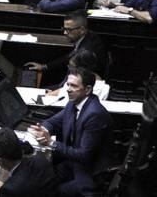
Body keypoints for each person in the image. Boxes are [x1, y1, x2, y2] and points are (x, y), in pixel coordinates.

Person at [29, 68, 112, 196]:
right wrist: (42, 130)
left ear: (88, 89)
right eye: (67, 84)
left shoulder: (95, 114)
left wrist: (51, 143)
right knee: (40, 180)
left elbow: (84, 155)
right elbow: (52, 122)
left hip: (89, 173)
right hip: (72, 163)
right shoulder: (73, 104)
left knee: (53, 192)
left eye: (73, 86)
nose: (68, 89)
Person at [25, 11, 108, 86]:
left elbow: (78, 83)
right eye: (64, 29)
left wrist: (53, 92)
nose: (65, 33)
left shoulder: (87, 50)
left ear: (82, 29)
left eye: (69, 30)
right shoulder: (87, 36)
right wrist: (45, 66)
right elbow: (69, 55)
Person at [0, 128, 58, 197]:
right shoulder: (40, 159)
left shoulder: (11, 190)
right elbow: (31, 188)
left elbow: (19, 189)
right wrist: (8, 186)